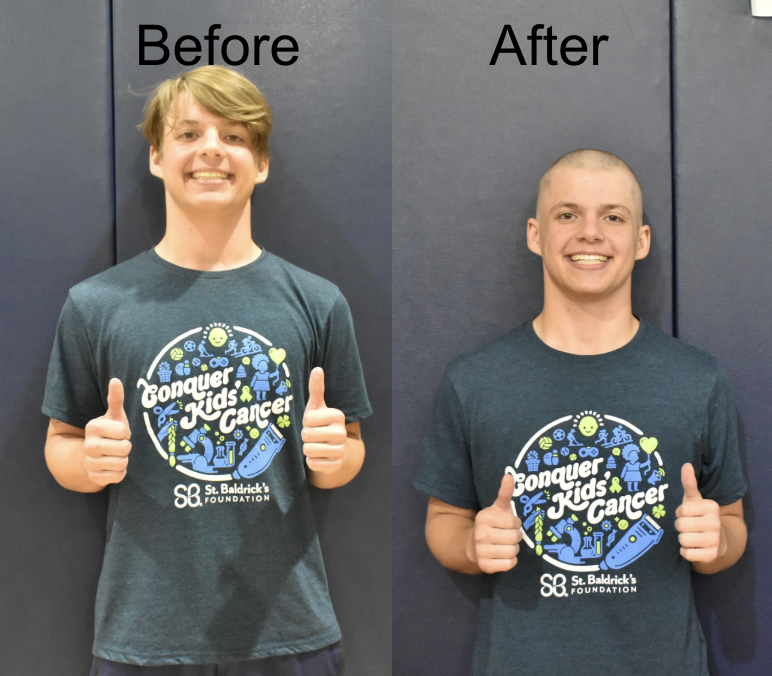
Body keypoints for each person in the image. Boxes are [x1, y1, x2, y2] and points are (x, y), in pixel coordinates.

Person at [43, 65, 371, 675]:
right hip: (142, 634)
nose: (212, 150)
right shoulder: (96, 304)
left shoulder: (318, 302)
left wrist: (334, 455)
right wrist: (88, 461)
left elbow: (348, 455)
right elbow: (60, 447)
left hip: (288, 632)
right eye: (190, 134)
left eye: (235, 136)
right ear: (156, 158)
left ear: (262, 163)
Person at [416, 149, 747, 676]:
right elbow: (444, 520)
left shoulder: (697, 379)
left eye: (612, 217)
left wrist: (718, 541)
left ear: (640, 241)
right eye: (567, 214)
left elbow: (729, 524)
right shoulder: (474, 380)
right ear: (535, 234)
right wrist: (471, 544)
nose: (590, 233)